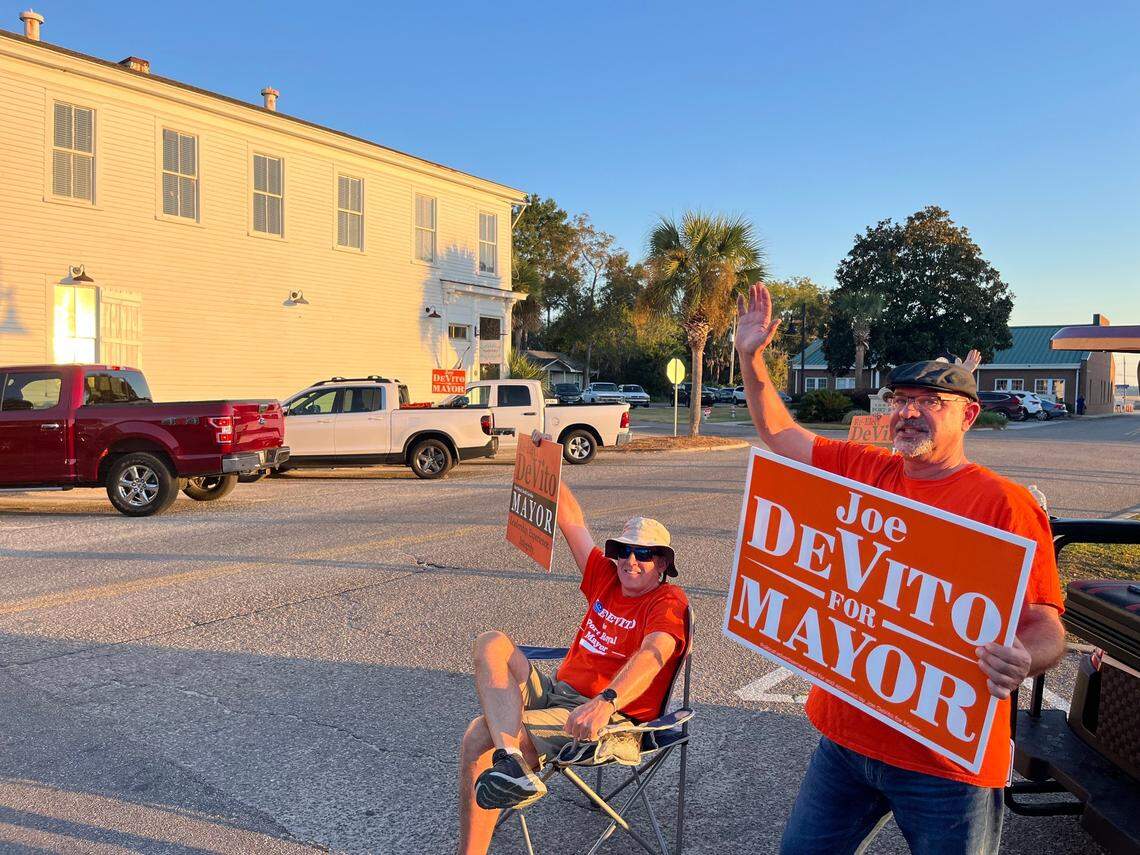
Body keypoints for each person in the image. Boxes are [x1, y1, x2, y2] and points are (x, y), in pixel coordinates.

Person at [735, 283, 1065, 855]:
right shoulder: (867, 468)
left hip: (946, 759)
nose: (908, 413)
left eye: (929, 402)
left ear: (969, 415)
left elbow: (1046, 624)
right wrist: (750, 358)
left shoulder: (1004, 505)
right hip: (846, 742)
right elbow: (780, 435)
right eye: (899, 400)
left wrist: (1024, 658)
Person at [456, 456, 689, 855]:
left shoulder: (668, 601)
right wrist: (542, 457)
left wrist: (606, 702)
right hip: (559, 693)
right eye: (625, 550)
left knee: (478, 736)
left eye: (645, 554)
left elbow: (654, 654)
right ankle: (513, 762)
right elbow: (571, 521)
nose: (632, 561)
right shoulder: (606, 575)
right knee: (492, 641)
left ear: (663, 562)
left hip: (609, 716)